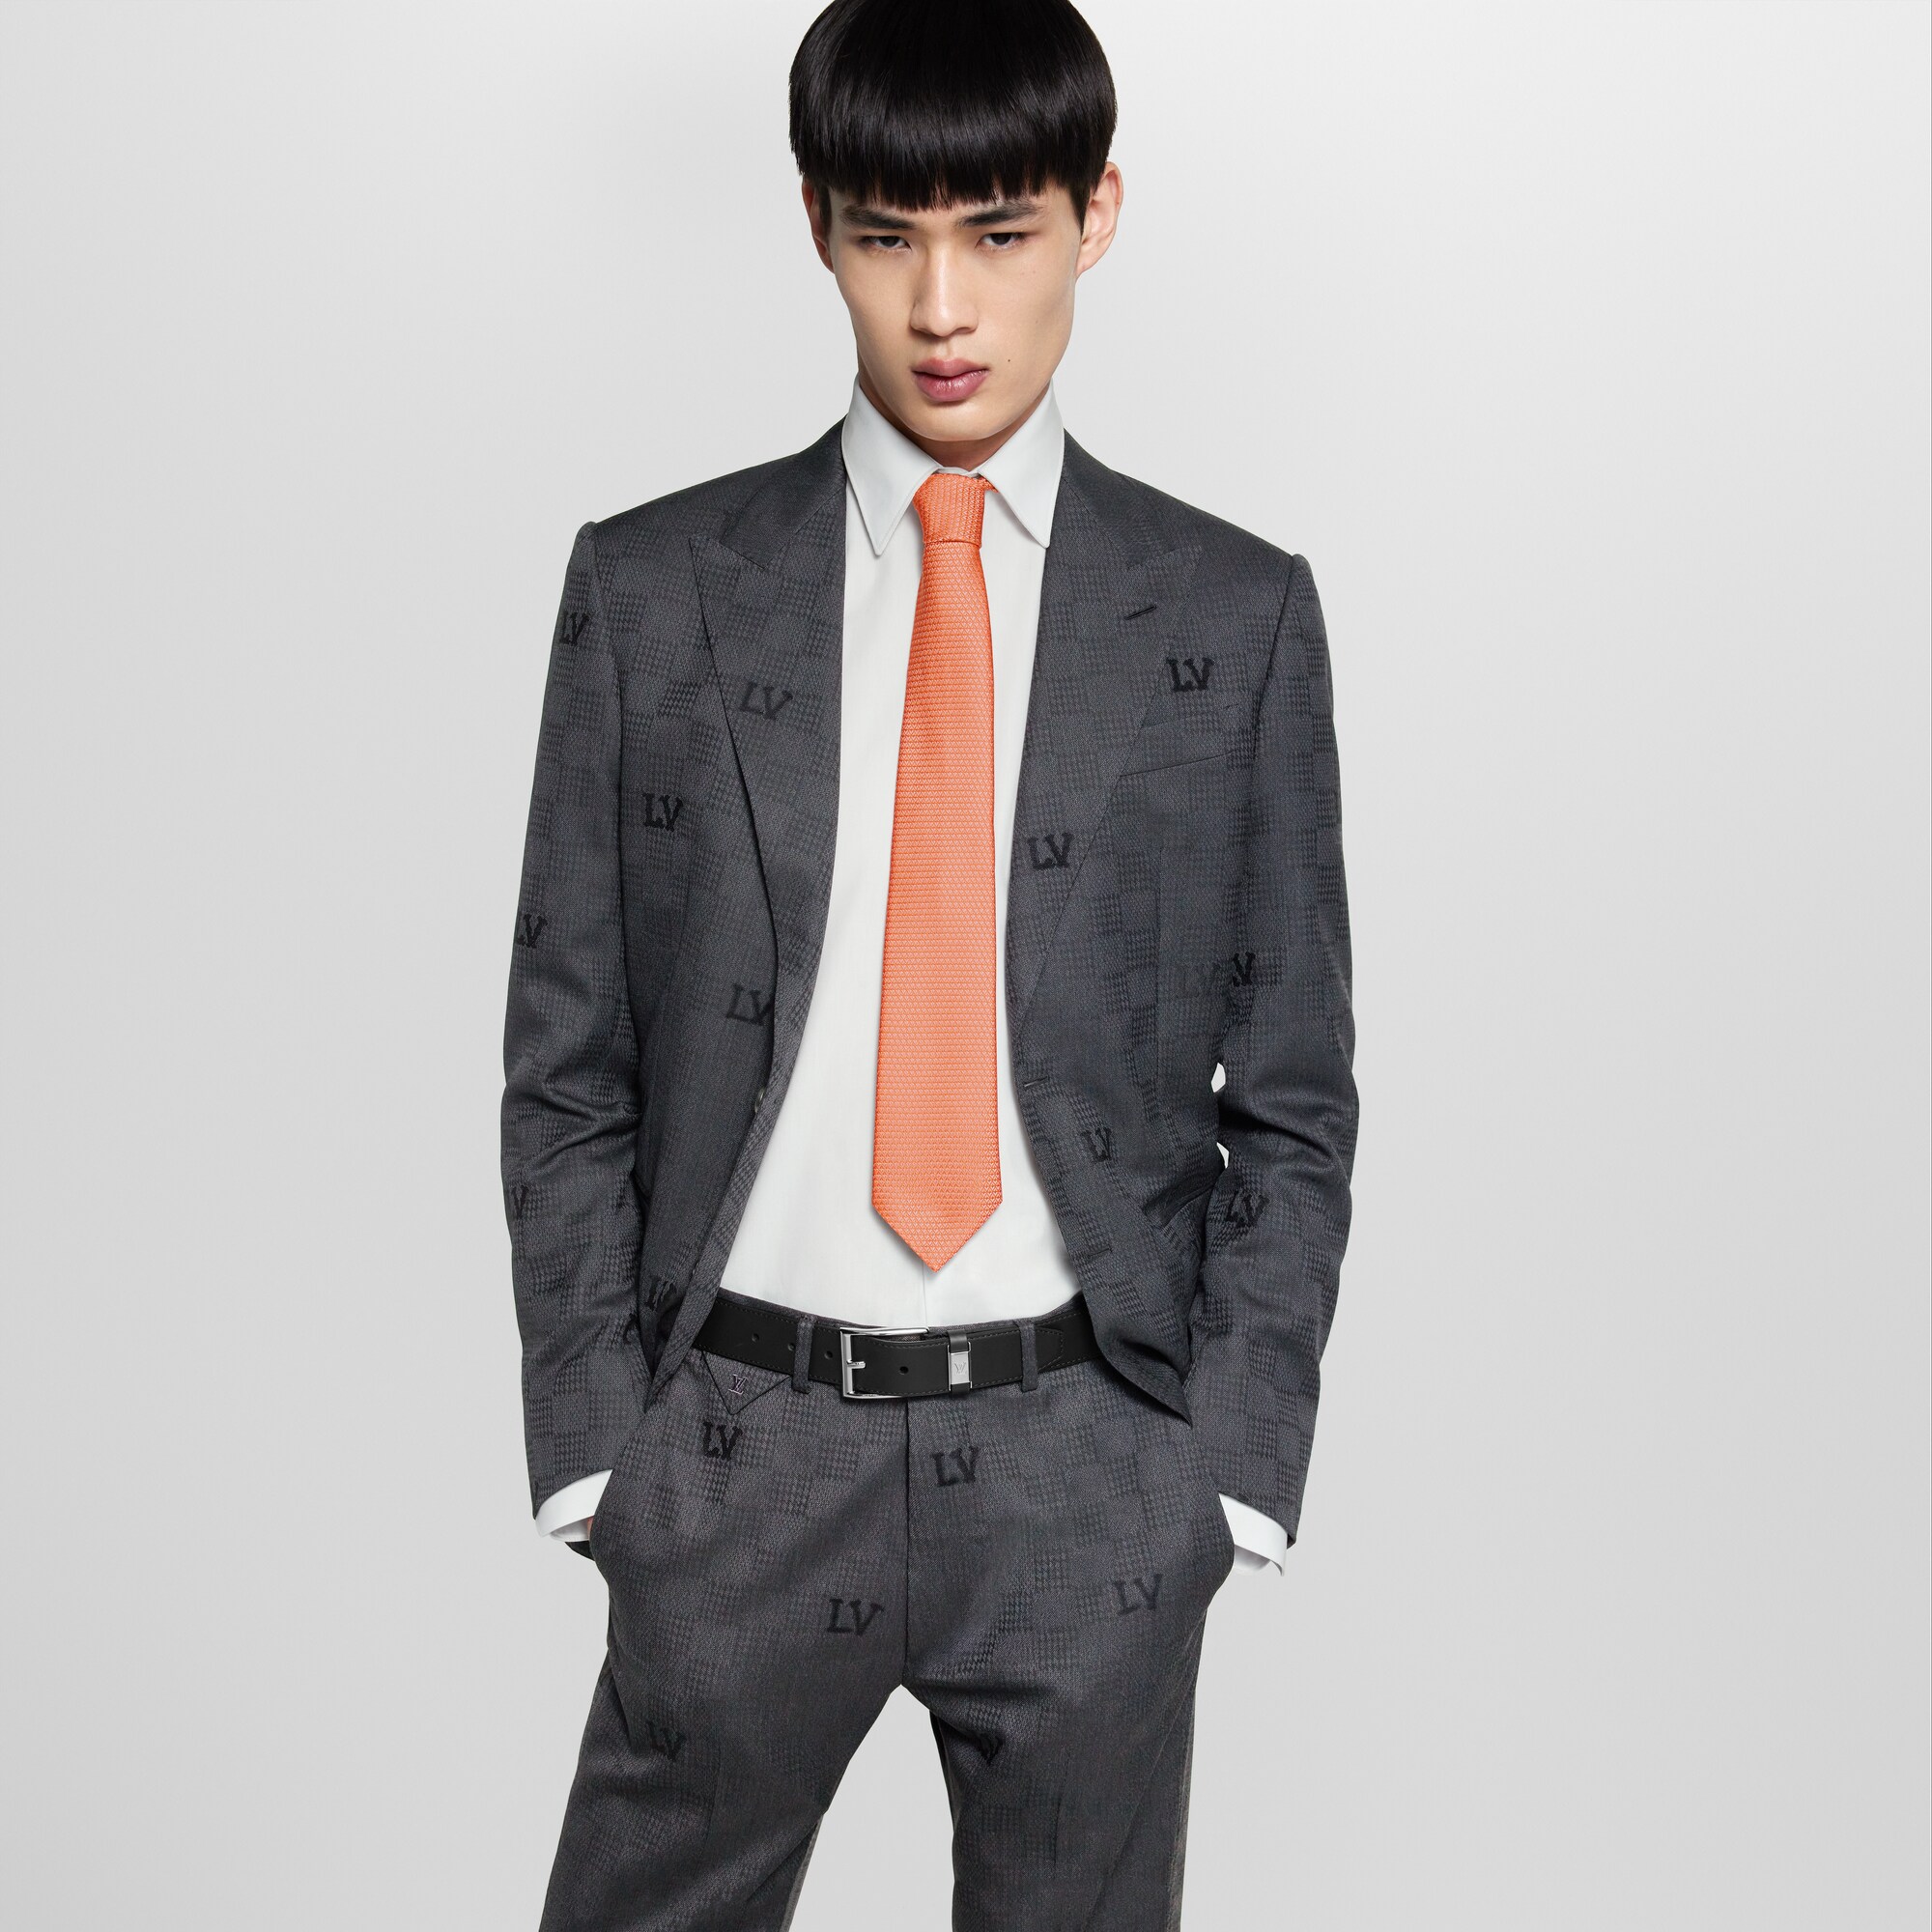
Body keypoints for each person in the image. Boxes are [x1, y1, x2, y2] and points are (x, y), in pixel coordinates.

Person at [500, 1, 1358, 1922]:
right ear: (817, 225)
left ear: (1097, 215)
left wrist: (1221, 1473)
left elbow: (1295, 1093)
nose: (942, 305)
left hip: (1087, 1462)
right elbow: (568, 1059)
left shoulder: (1233, 617)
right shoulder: (654, 591)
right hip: (735, 1449)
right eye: (887, 236)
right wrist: (597, 1450)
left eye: (1000, 232)